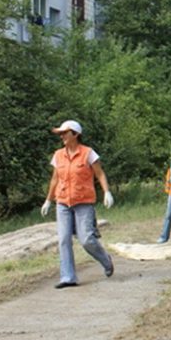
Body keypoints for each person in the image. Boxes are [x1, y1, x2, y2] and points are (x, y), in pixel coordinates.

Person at [41, 120, 115, 289]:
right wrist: (48, 200)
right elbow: (55, 179)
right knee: (63, 240)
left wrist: (107, 192)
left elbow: (100, 174)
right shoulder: (58, 155)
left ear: (75, 134)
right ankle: (68, 277)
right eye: (60, 134)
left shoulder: (88, 153)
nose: (61, 136)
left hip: (83, 202)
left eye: (64, 133)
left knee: (87, 240)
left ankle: (106, 260)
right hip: (63, 202)